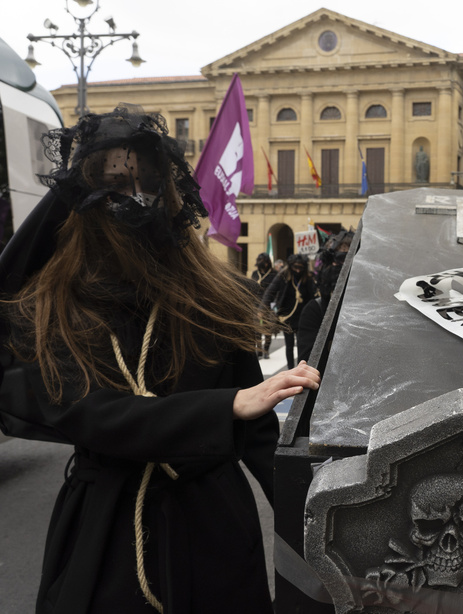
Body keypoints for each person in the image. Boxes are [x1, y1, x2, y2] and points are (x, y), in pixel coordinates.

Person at [0, 106, 321, 614]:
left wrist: (320, 533)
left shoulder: (215, 298)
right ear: (84, 194)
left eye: (148, 183)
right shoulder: (51, 306)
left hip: (213, 527)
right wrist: (225, 407)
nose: (135, 198)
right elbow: (86, 412)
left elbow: (261, 437)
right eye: (114, 184)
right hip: (107, 531)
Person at [264, 253, 318, 369]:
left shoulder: (308, 277)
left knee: (302, 344)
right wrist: (263, 308)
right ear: (290, 266)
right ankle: (290, 368)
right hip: (286, 317)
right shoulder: (283, 276)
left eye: (300, 268)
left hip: (303, 318)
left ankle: (301, 368)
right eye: (295, 267)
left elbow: (315, 295)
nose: (298, 270)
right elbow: (270, 292)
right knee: (289, 345)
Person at [251, 252, 276, 358]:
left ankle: (266, 350)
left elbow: (276, 291)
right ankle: (259, 349)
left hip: (268, 305)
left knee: (268, 329)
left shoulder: (273, 274)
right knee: (257, 330)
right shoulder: (255, 274)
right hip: (256, 305)